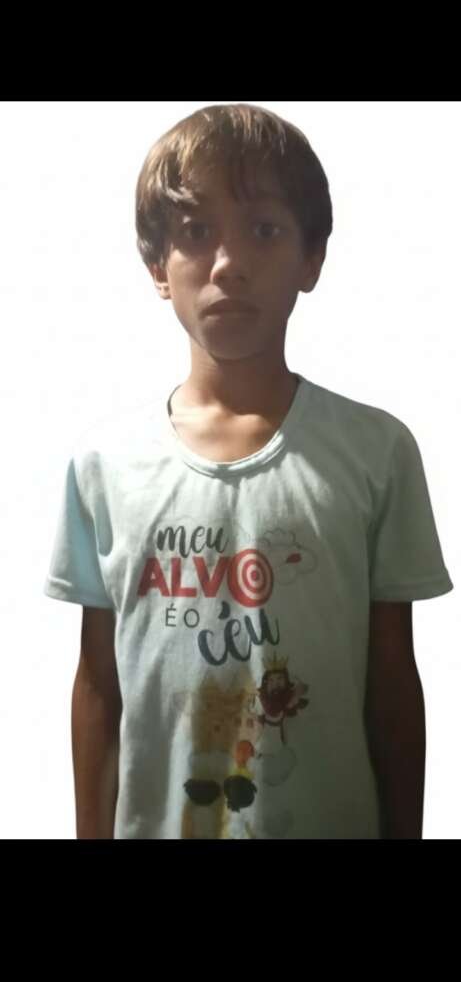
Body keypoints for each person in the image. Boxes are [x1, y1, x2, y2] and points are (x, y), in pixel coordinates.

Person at [44, 103, 454, 840]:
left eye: (263, 230)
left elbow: (392, 684)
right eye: (196, 231)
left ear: (311, 258)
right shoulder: (104, 465)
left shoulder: (376, 452)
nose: (228, 263)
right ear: (157, 265)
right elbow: (99, 686)